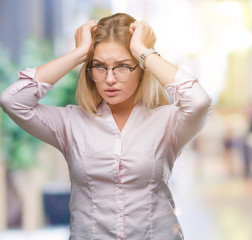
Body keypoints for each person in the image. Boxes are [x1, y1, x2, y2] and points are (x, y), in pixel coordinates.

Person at [0, 13, 211, 239]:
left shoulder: (169, 122)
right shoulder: (70, 123)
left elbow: (199, 101)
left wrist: (144, 51)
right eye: (99, 67)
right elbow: (12, 101)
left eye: (122, 66)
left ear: (141, 69)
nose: (110, 79)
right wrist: (79, 54)